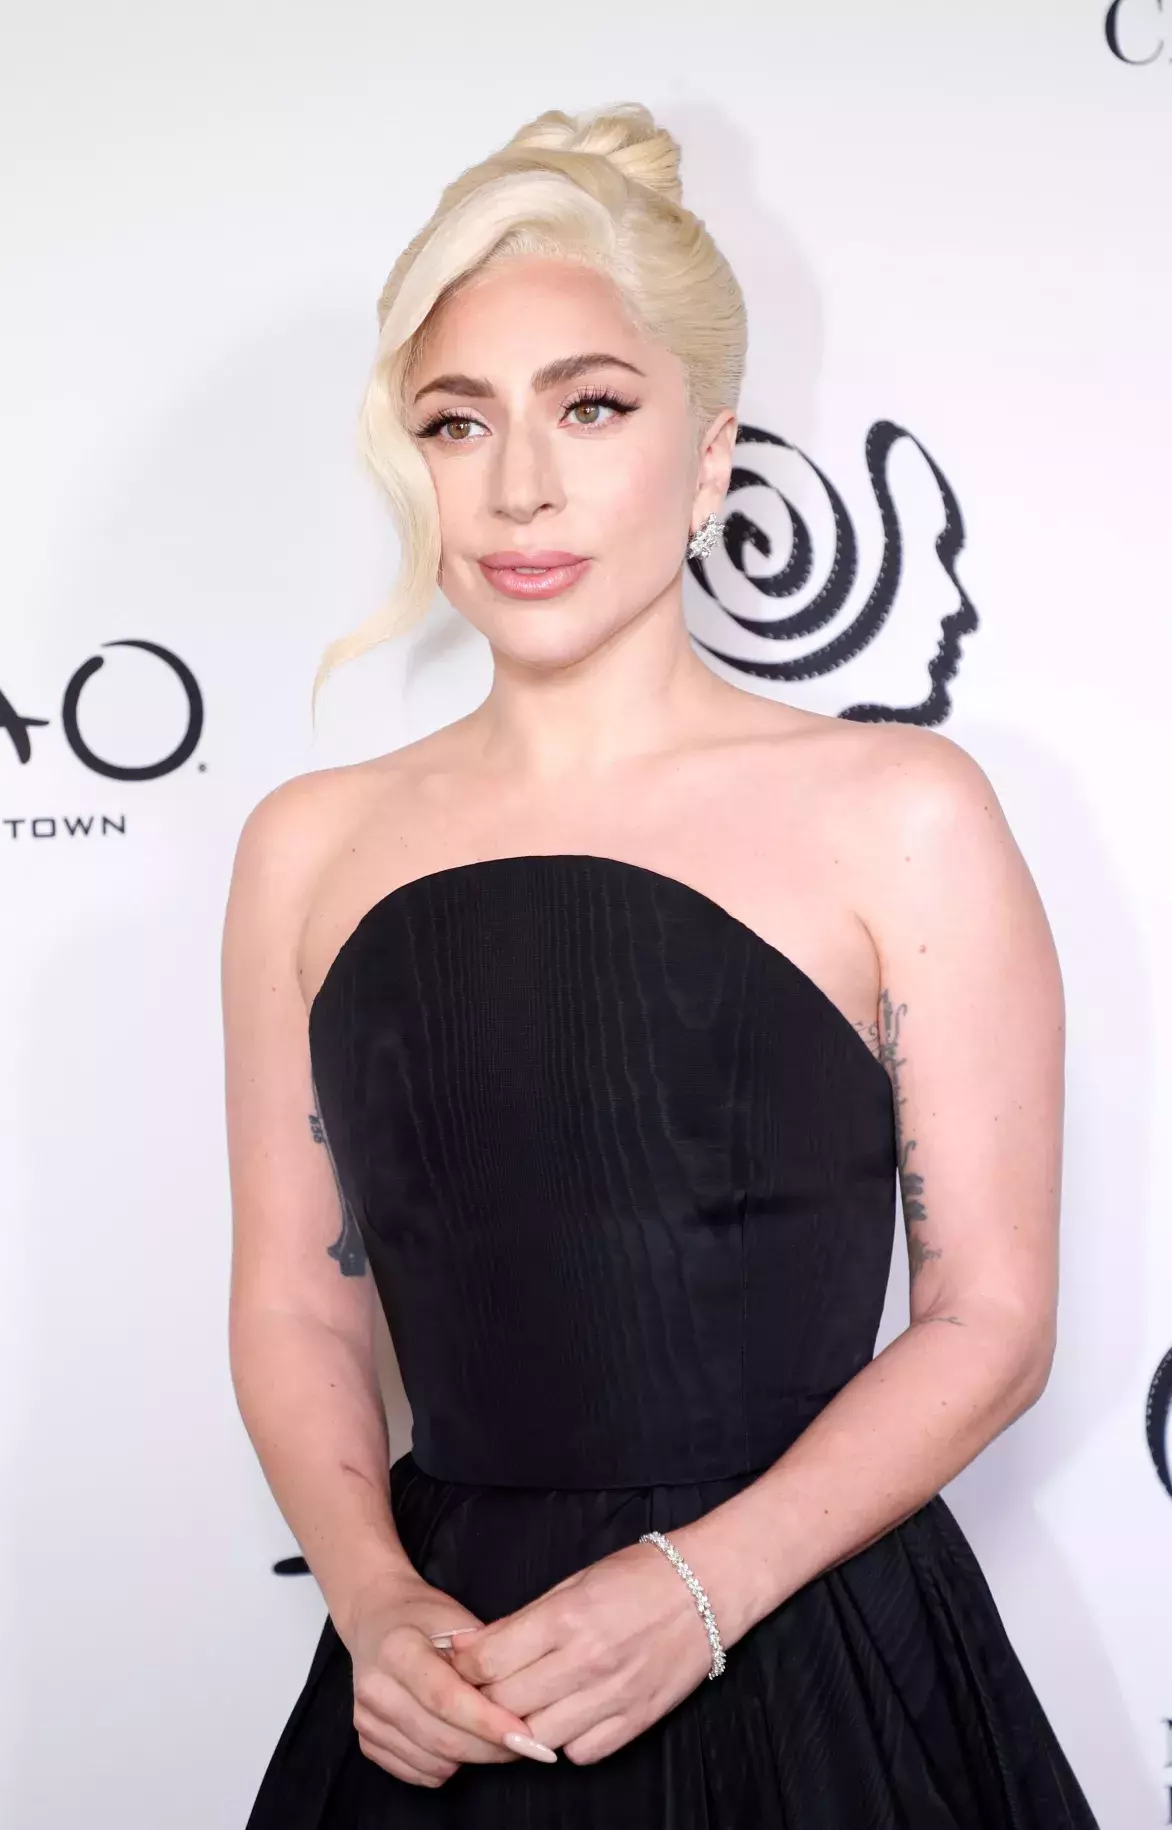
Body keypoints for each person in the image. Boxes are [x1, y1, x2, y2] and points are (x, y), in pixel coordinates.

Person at [222, 101, 1100, 1828]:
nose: (519, 485)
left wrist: (701, 1587)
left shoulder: (901, 812)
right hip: (452, 1679)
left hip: (812, 1651)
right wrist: (372, 1597)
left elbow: (991, 1319)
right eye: (457, 420)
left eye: (592, 407)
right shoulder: (306, 847)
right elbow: (295, 1301)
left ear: (709, 458)